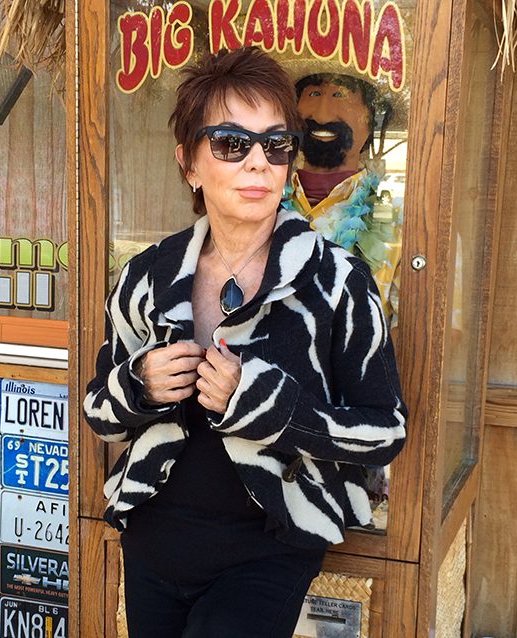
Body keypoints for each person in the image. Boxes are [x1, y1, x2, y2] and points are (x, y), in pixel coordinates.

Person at [84, 47, 407, 638]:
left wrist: (264, 404)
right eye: (232, 143)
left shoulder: (335, 282)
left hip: (269, 549)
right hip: (154, 538)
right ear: (189, 163)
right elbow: (99, 414)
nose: (258, 162)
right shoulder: (146, 276)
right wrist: (140, 383)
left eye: (276, 144)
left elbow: (385, 431)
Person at [283, 72, 402, 323]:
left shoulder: (402, 225)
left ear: (371, 122)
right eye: (314, 94)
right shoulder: (257, 206)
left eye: (340, 95)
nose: (323, 114)